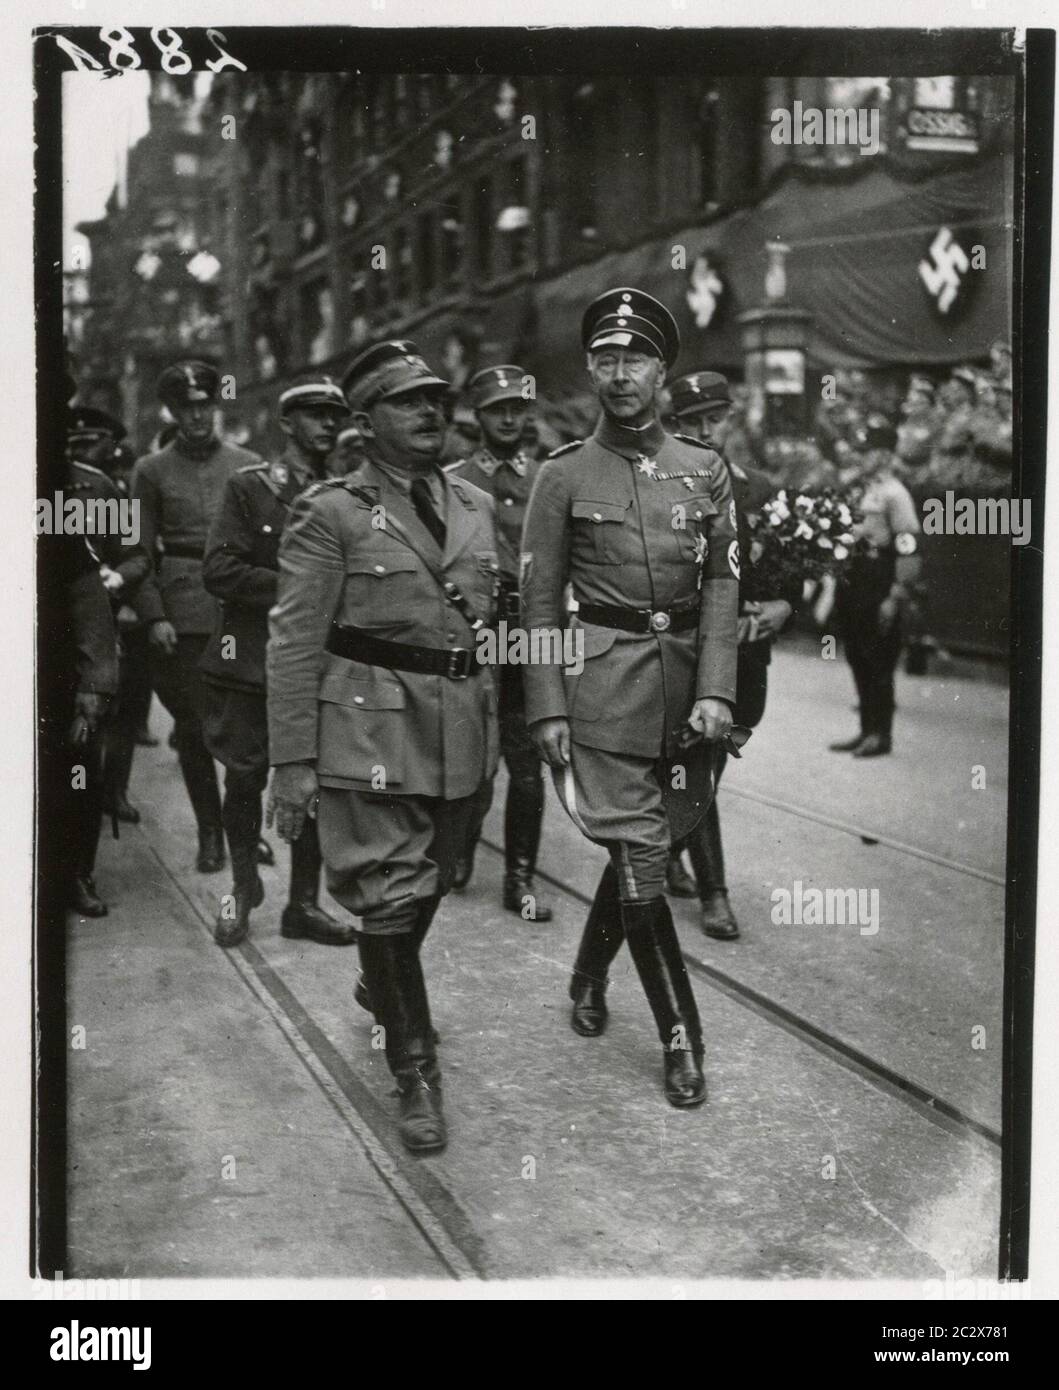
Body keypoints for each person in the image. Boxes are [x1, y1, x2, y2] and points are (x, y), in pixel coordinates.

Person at [266, 340, 499, 1154]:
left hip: (465, 725)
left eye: (435, 396)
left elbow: (497, 619)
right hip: (366, 728)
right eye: (408, 401)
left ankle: (379, 971)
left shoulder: (474, 502)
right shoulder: (328, 511)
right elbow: (294, 642)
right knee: (391, 894)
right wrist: (292, 764)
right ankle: (416, 1073)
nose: (431, 410)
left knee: (431, 879)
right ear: (364, 424)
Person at [521, 288, 740, 1108]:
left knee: (643, 849)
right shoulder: (562, 475)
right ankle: (681, 1039)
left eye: (636, 358)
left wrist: (717, 690)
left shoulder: (702, 469)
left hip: (688, 698)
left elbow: (722, 587)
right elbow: (538, 601)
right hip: (602, 690)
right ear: (590, 369)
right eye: (605, 360)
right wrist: (545, 705)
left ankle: (585, 974)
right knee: (642, 857)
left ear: (661, 369)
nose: (620, 375)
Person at [200, 374, 359, 950]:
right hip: (250, 665)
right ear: (287, 423)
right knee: (244, 780)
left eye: (333, 415)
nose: (326, 425)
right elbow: (219, 570)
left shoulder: (347, 492)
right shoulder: (251, 488)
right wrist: (301, 586)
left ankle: (303, 905)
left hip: (320, 666)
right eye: (314, 415)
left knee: (312, 783)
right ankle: (241, 891)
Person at [661, 371, 797, 938]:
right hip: (684, 655)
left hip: (748, 659)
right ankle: (715, 892)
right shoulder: (660, 488)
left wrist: (785, 608)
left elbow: (793, 570)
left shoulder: (759, 489)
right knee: (702, 763)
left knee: (707, 761)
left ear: (730, 420)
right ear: (674, 425)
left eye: (714, 419)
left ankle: (666, 845)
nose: (705, 431)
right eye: (692, 422)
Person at [131, 361, 263, 872]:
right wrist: (152, 615)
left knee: (247, 729)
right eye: (187, 409)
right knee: (192, 727)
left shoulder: (248, 463)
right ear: (173, 413)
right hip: (184, 612)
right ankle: (211, 833)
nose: (197, 417)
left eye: (205, 406)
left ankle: (241, 828)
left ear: (216, 406)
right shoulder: (150, 471)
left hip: (244, 611)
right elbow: (136, 548)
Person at [445, 365, 554, 920]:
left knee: (527, 758)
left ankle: (520, 877)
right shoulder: (455, 481)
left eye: (518, 408)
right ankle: (461, 846)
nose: (510, 418)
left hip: (532, 632)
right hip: (479, 629)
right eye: (497, 409)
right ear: (478, 415)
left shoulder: (549, 478)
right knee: (473, 751)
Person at [63, 407, 149, 915]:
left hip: (81, 647)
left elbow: (137, 553)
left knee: (77, 768)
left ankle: (77, 873)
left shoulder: (97, 490)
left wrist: (118, 579)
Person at [830, 416, 922, 758]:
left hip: (879, 576)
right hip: (855, 575)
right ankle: (866, 729)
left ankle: (881, 735)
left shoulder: (896, 494)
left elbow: (909, 544)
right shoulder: (863, 487)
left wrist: (897, 594)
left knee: (879, 659)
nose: (861, 457)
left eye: (867, 451)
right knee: (857, 654)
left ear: (884, 455)